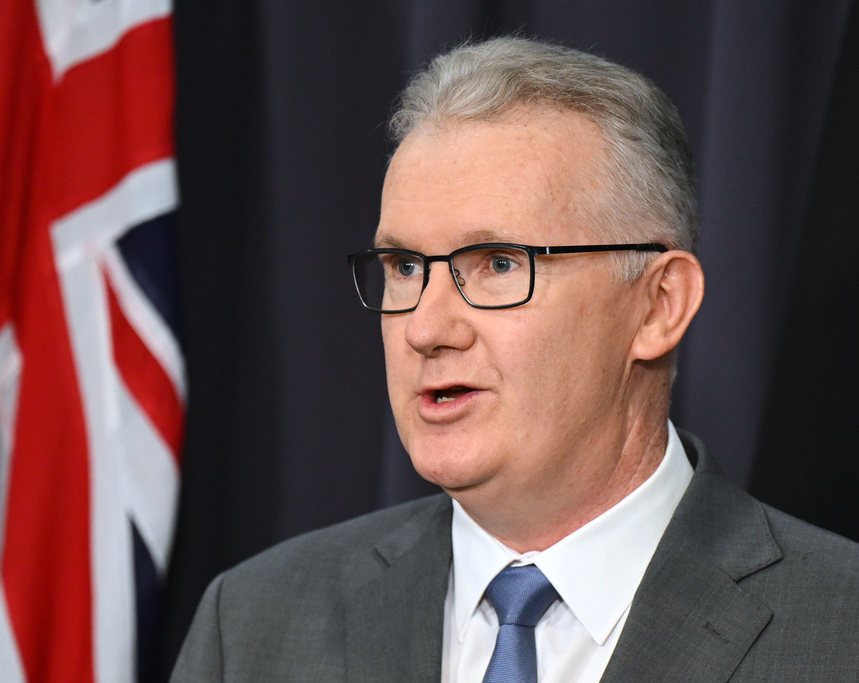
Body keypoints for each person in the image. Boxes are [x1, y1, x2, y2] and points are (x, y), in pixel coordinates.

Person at [172, 36, 859, 682]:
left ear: (658, 306)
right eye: (405, 266)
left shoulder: (840, 626)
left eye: (499, 263)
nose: (425, 328)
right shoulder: (255, 625)